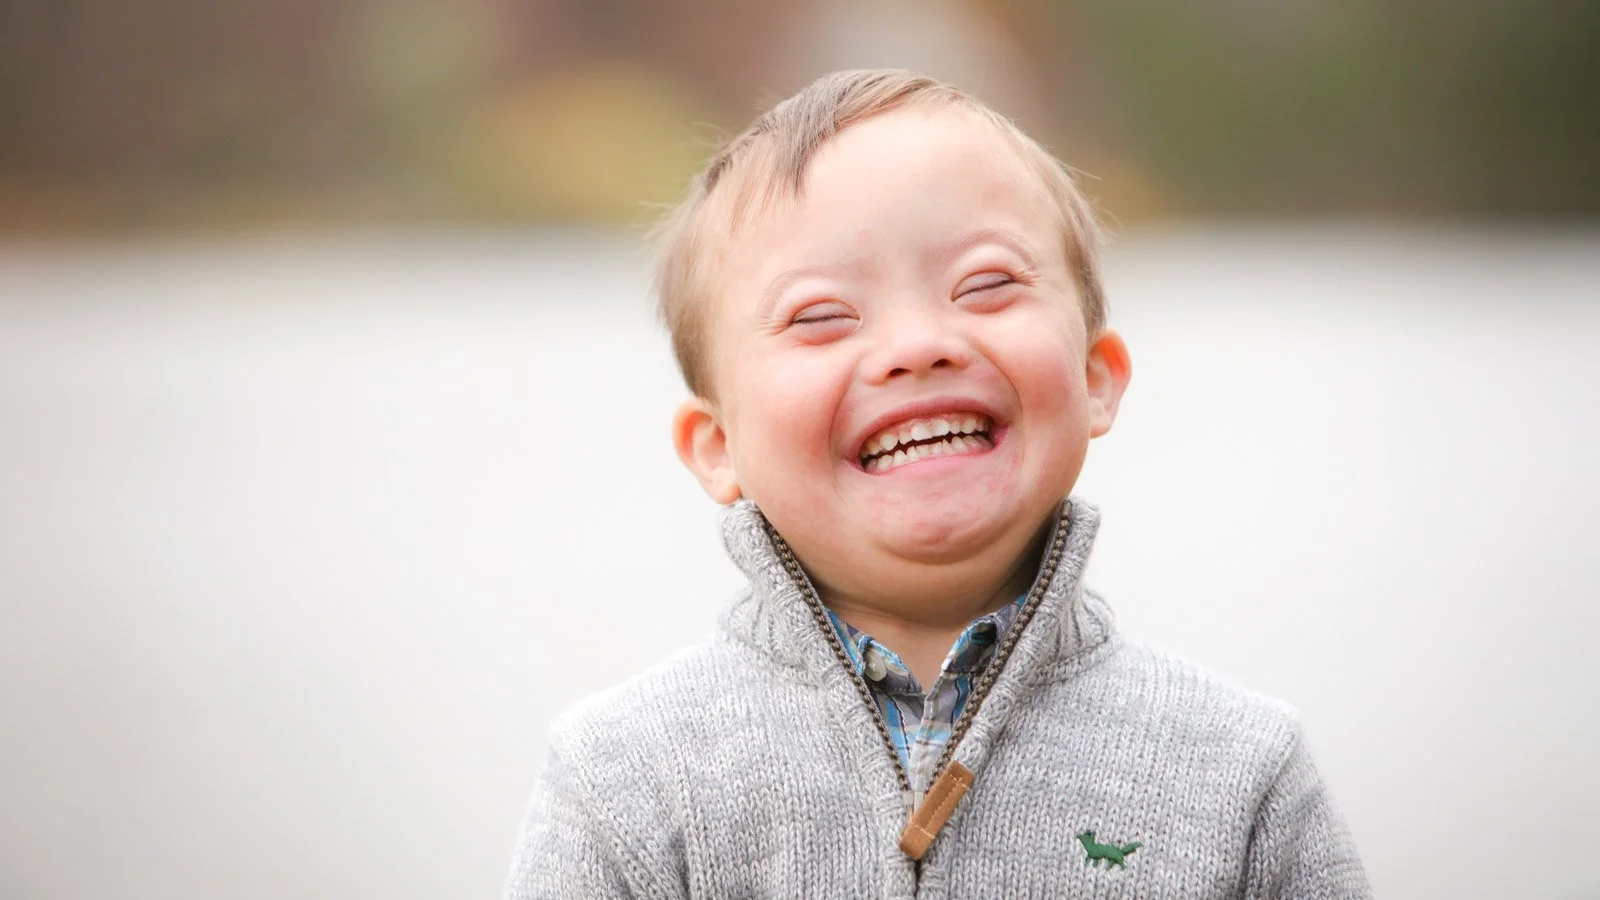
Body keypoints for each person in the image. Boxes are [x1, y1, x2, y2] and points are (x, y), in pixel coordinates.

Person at [505, 69, 1372, 898]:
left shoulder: (1240, 772)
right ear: (717, 444)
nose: (919, 343)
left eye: (987, 285)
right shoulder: (627, 778)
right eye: (819, 316)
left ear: (1096, 375)